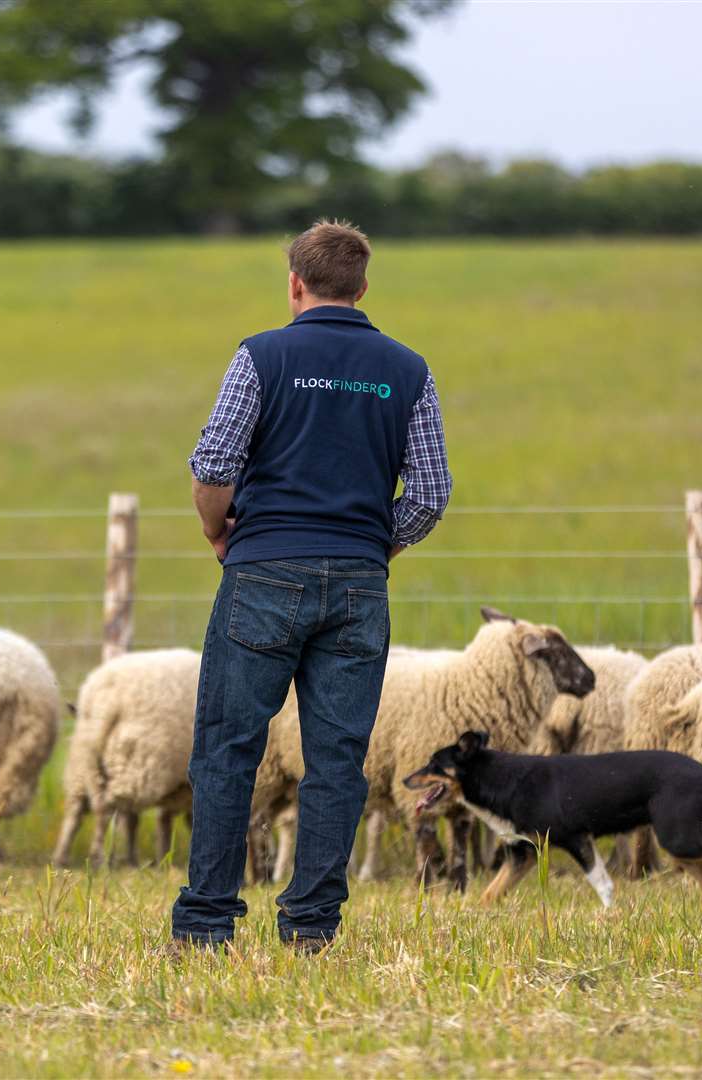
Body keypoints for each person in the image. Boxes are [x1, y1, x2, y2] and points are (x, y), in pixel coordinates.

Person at [169, 219, 451, 952]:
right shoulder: (409, 369)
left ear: (294, 283)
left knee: (228, 749)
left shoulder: (261, 356)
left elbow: (213, 464)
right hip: (358, 582)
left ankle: (205, 924)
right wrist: (375, 544)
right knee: (337, 759)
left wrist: (216, 532)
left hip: (262, 569)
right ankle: (312, 927)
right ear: (362, 287)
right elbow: (429, 492)